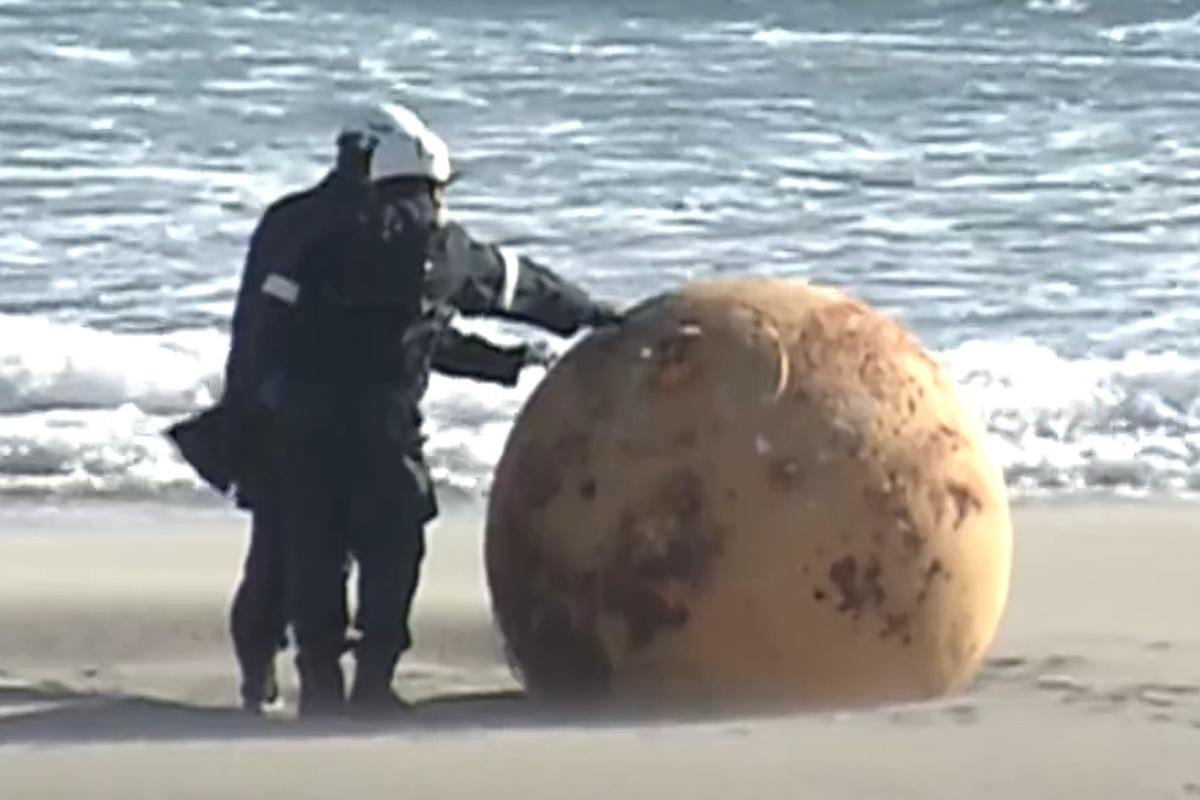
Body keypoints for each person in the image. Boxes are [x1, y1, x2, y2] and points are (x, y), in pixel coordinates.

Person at [221, 102, 620, 718]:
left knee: (298, 549)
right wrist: (592, 314)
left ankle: (303, 685)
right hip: (380, 428)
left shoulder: (289, 225)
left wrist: (242, 412)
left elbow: (258, 330)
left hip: (289, 422)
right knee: (392, 546)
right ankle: (374, 685)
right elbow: (507, 288)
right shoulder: (426, 240)